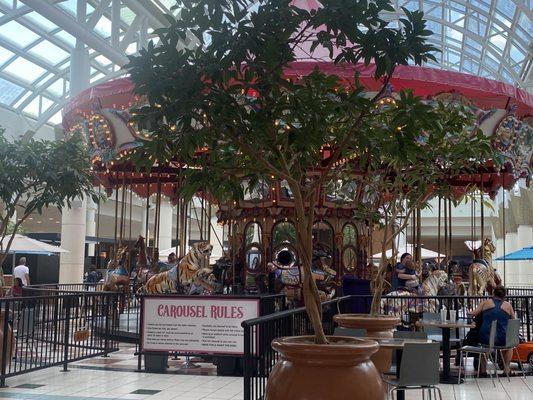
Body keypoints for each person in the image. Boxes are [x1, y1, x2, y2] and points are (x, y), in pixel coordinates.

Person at [471, 285, 515, 375]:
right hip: (502, 338)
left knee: (485, 346)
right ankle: (506, 369)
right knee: (510, 347)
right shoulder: (508, 305)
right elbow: (514, 321)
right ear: (504, 295)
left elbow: (473, 313)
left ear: (493, 293)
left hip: (486, 336)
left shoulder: (485, 303)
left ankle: (483, 370)